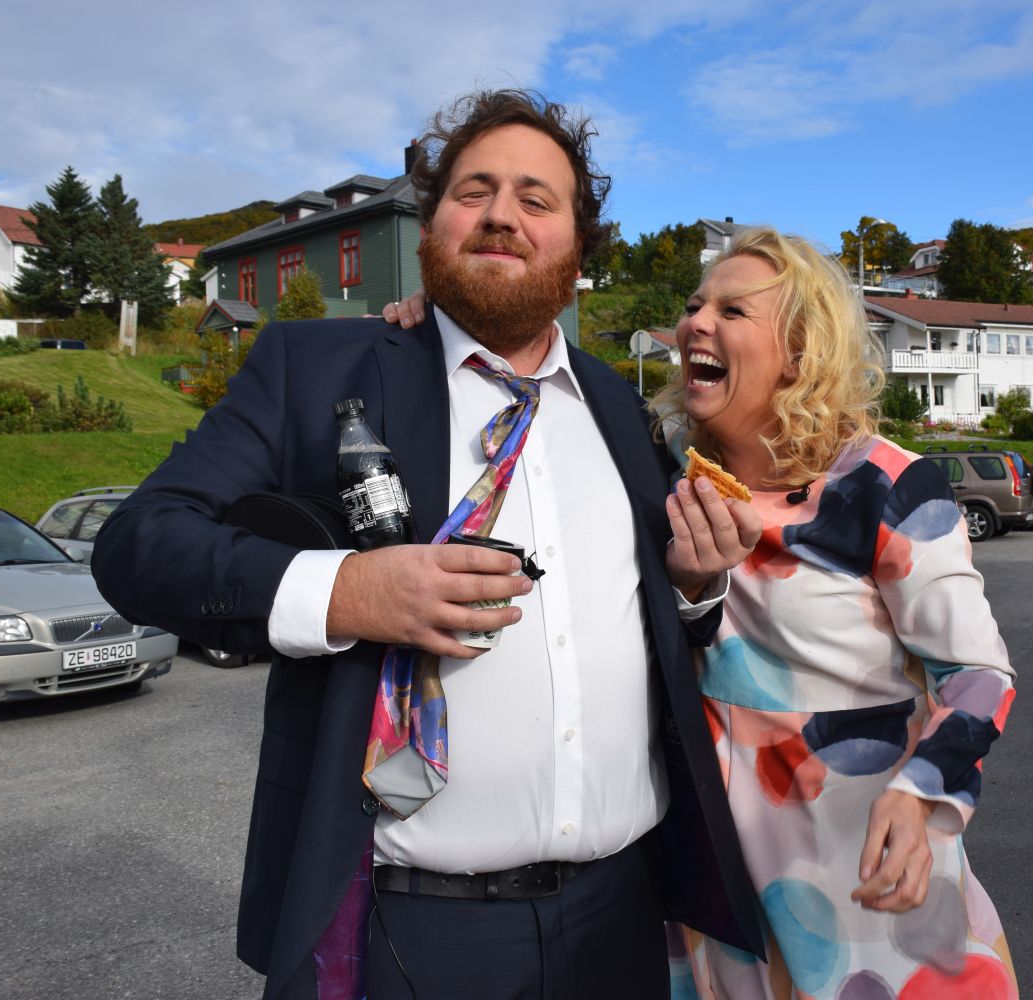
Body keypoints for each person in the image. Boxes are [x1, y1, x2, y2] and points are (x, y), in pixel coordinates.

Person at [92, 89, 764, 1000]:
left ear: (579, 250)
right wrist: (349, 592)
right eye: (473, 191)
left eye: (536, 199)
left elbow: (646, 621)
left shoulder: (618, 405)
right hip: (411, 932)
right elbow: (137, 546)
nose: (501, 215)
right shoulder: (315, 368)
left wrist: (692, 588)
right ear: (430, 227)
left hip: (621, 916)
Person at [657, 227, 1018, 998]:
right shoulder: (667, 475)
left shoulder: (883, 485)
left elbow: (977, 675)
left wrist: (922, 794)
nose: (696, 323)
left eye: (732, 311)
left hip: (859, 865)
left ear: (798, 353)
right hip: (718, 871)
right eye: (693, 305)